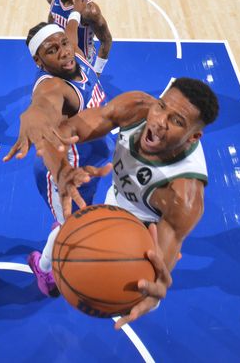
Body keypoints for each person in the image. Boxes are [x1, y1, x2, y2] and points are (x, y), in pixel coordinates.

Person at [31, 77, 219, 328]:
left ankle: (51, 273)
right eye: (162, 106)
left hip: (141, 231)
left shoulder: (184, 195)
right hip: (115, 201)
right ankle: (46, 273)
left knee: (79, 250)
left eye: (176, 121)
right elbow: (61, 133)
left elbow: (159, 265)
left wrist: (153, 289)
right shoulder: (137, 107)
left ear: (193, 136)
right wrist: (61, 169)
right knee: (63, 235)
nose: (159, 121)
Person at [3, 17, 113, 298]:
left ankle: (63, 226)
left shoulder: (73, 52)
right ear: (40, 62)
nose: (63, 51)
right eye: (51, 51)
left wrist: (75, 11)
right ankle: (42, 266)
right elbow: (42, 107)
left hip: (95, 160)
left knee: (80, 219)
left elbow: (72, 32)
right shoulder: (53, 87)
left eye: (63, 43)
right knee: (70, 230)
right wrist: (32, 116)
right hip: (66, 174)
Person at [45, 0, 112, 76]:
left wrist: (96, 72)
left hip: (81, 61)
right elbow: (52, 18)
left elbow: (106, 41)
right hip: (61, 55)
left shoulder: (89, 11)